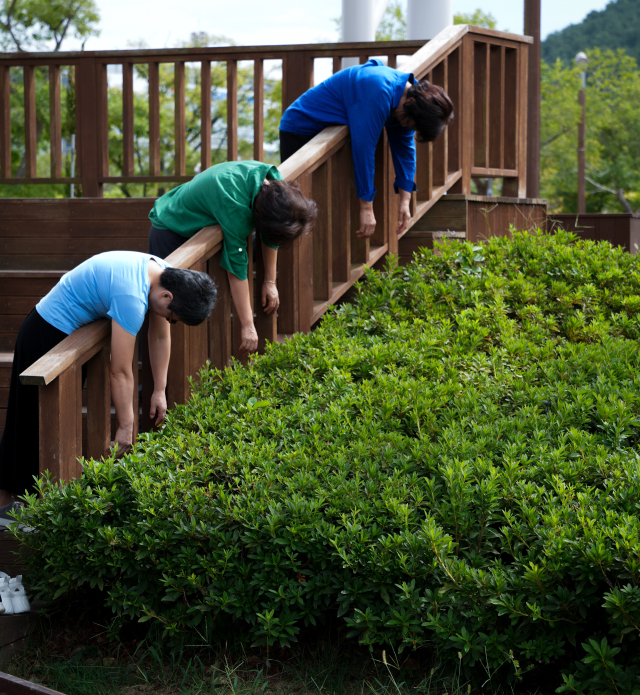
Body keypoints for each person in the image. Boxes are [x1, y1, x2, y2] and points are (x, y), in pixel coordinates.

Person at [0, 251, 217, 523]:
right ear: (167, 297)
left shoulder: (163, 273)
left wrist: (159, 390)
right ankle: (7, 504)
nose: (169, 321)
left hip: (68, 336)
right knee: (29, 420)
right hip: (46, 335)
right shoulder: (132, 298)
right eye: (173, 317)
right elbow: (120, 370)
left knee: (43, 420)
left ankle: (25, 504)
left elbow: (160, 338)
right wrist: (126, 426)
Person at [148, 161, 317, 354]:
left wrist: (270, 281)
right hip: (171, 228)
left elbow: (271, 237)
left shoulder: (274, 184)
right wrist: (247, 325)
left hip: (201, 227)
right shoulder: (235, 209)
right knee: (170, 308)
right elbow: (236, 270)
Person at [279, 58, 454, 239]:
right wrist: (366, 207)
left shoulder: (409, 101)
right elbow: (364, 149)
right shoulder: (379, 90)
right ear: (410, 101)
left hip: (328, 135)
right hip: (301, 130)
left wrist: (405, 200)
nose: (404, 124)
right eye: (407, 121)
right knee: (294, 206)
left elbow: (405, 149)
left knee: (317, 207)